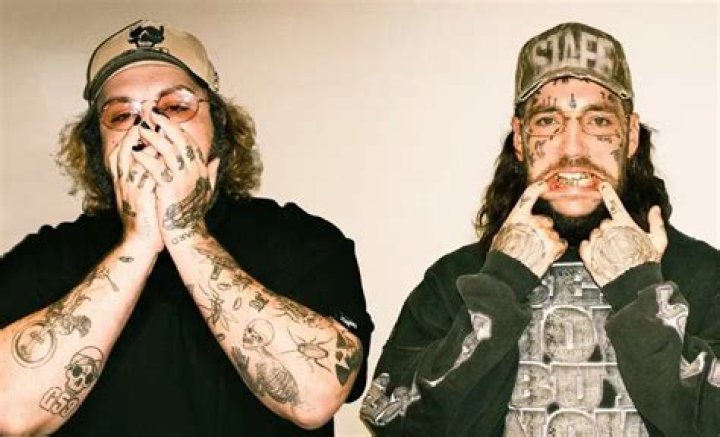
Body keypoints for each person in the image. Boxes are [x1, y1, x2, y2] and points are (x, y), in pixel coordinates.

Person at [0, 19, 373, 436]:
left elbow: (315, 398)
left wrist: (184, 231)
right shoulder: (47, 257)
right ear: (96, 146)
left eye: (175, 107)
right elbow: (9, 414)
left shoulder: (302, 241)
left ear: (220, 127)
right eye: (122, 115)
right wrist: (139, 243)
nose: (148, 128)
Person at [360, 21, 719, 436]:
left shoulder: (701, 273)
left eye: (598, 122)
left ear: (631, 135)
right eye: (548, 121)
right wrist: (499, 286)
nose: (572, 148)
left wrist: (640, 292)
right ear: (519, 138)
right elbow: (391, 421)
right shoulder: (458, 278)